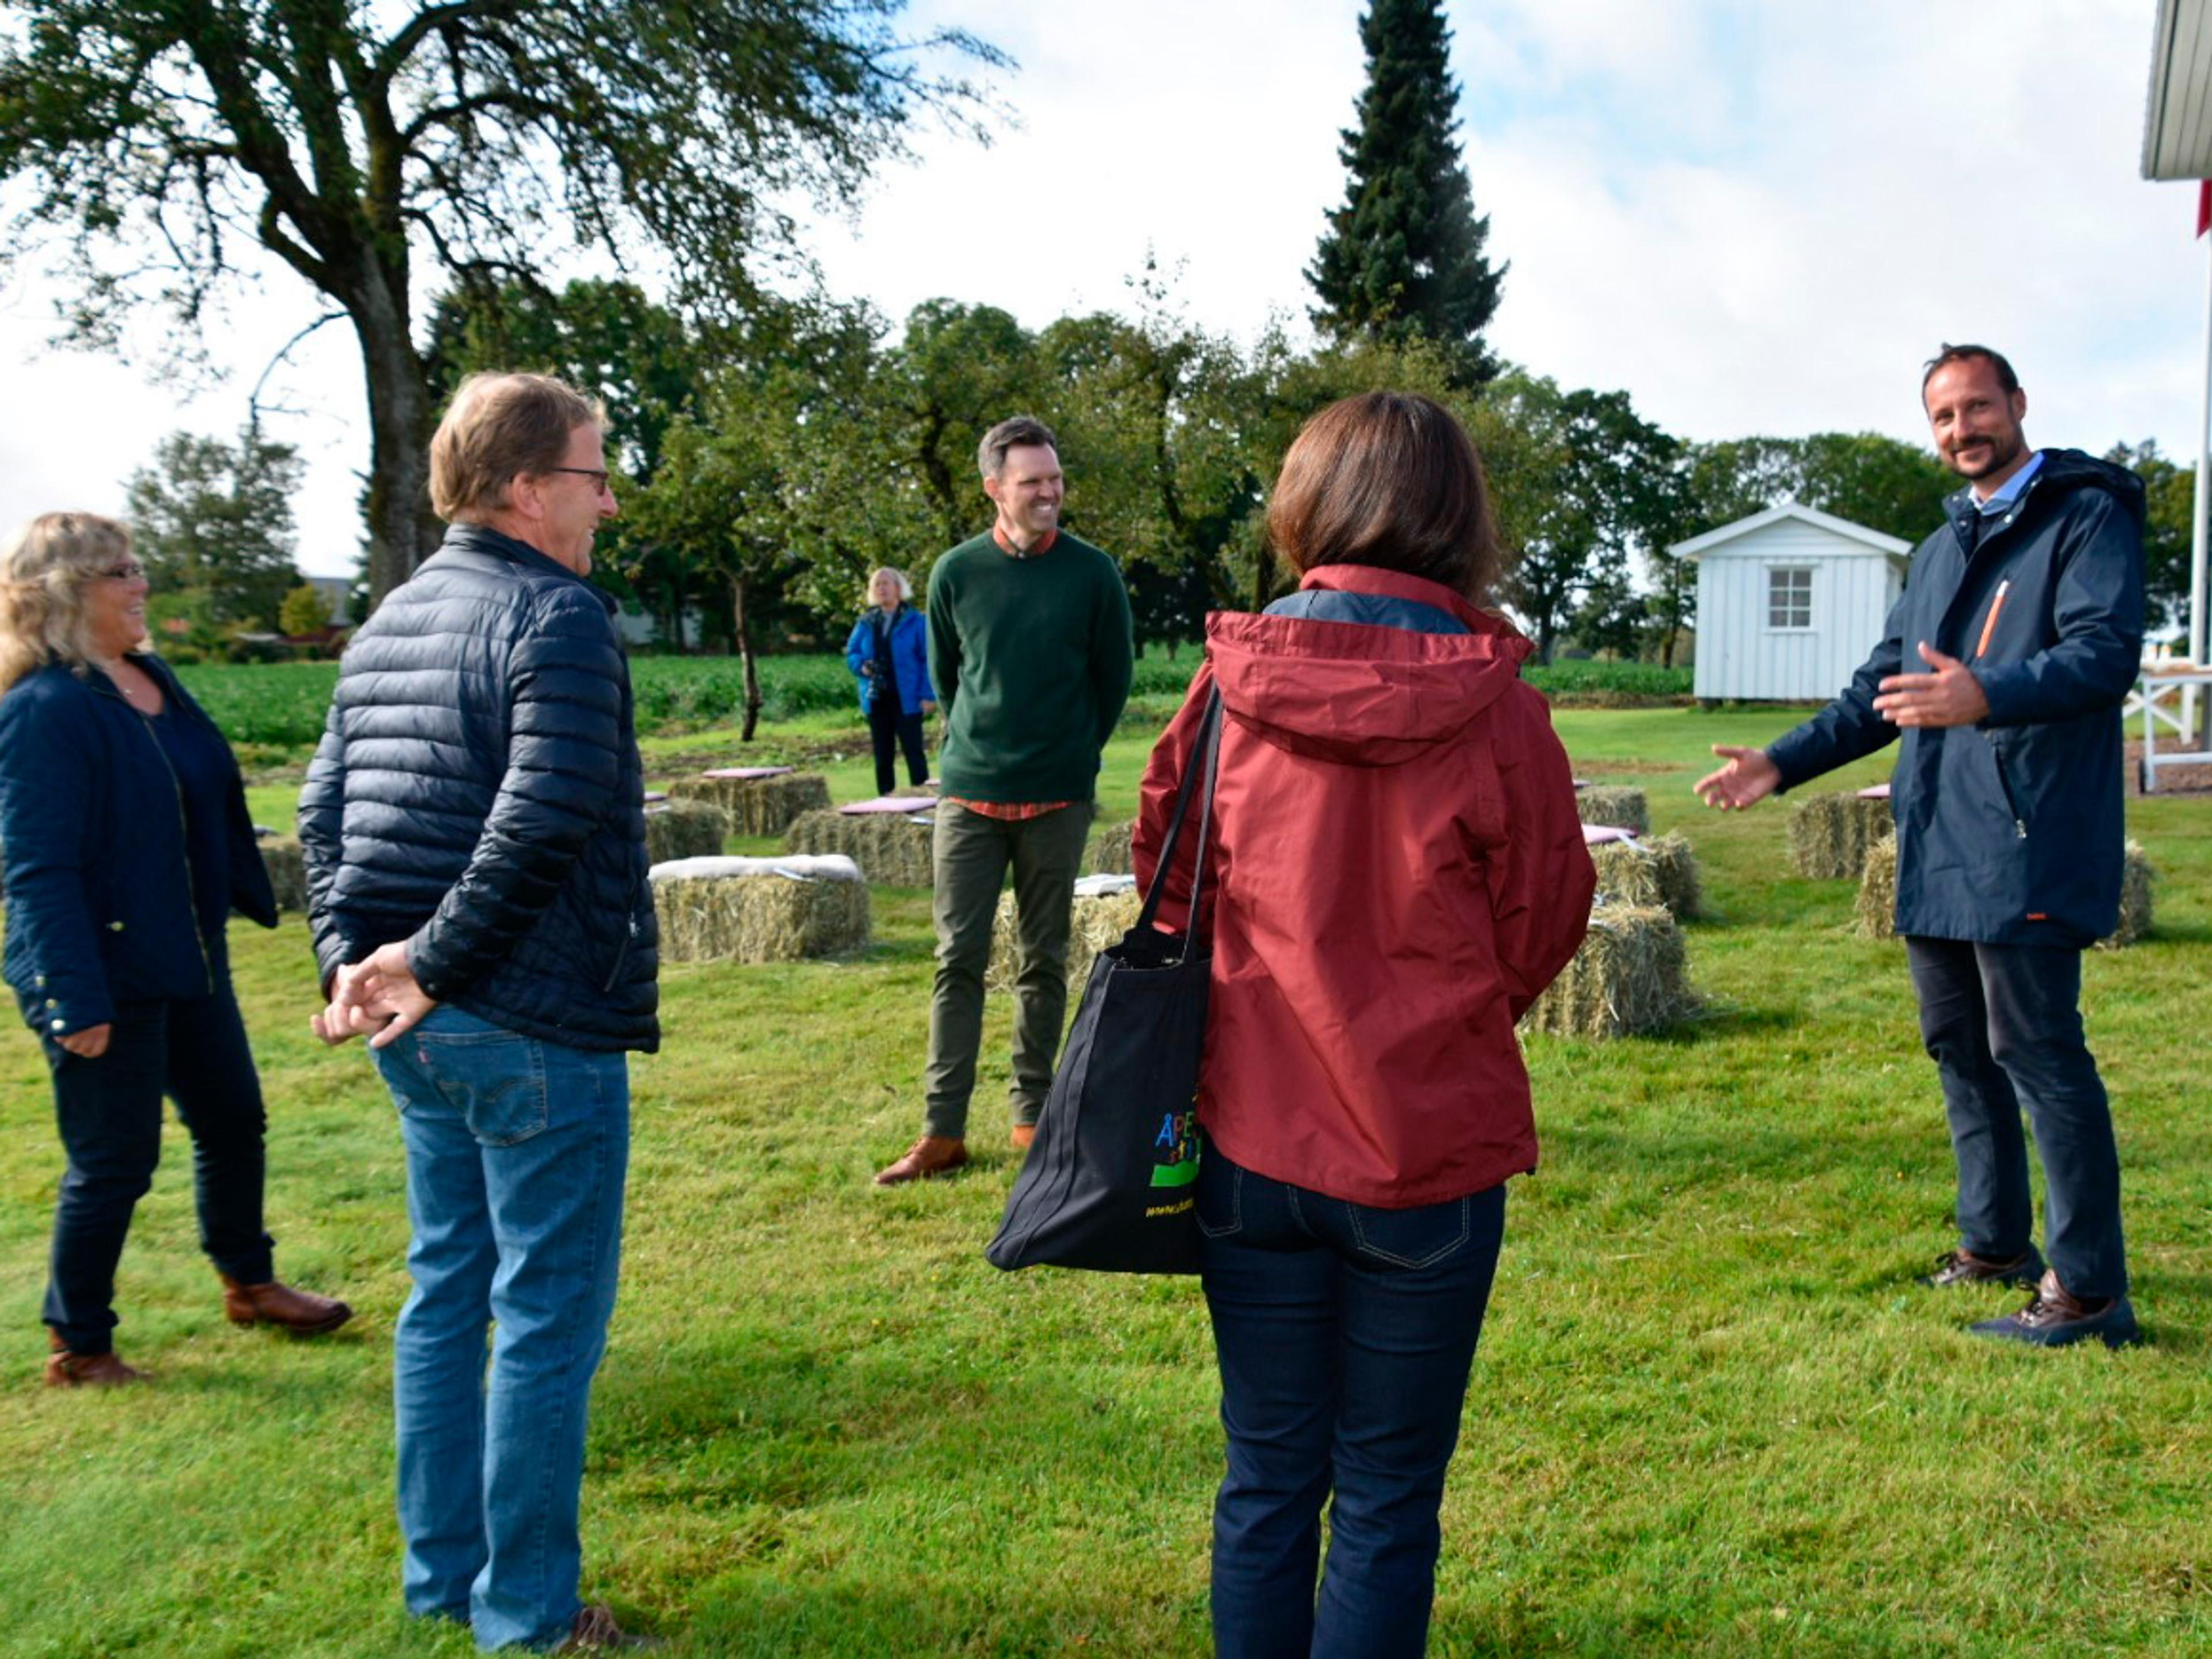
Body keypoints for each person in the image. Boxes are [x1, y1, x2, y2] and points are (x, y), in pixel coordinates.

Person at [1134, 392, 1594, 1657]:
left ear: (1309, 503)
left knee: (1269, 1473)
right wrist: (1448, 1011)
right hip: (1424, 1146)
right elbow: (1547, 912)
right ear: (1460, 515)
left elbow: (1170, 882)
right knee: (1387, 1497)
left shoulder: (1227, 686)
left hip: (1253, 1138)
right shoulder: (1499, 704)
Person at [298, 372, 660, 1652]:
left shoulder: (390, 617)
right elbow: (548, 811)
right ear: (524, 488)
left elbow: (323, 816)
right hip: (525, 1020)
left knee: (447, 1293)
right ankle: (529, 1615)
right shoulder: (558, 615)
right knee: (545, 1319)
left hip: (425, 1025)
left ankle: (443, 1581)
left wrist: (354, 961)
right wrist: (419, 965)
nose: (608, 503)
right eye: (595, 475)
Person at [1695, 343, 2145, 1350]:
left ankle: (2090, 1294)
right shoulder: (1942, 548)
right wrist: (1780, 762)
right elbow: (1881, 692)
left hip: (2025, 837)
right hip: (1938, 838)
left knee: (2038, 1052)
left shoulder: (2085, 516)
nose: (1962, 429)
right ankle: (1994, 1246)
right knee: (1959, 1048)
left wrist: (1989, 693)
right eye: (1943, 416)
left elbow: (2104, 655)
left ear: (2017, 403)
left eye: (1978, 407)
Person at [0, 512, 352, 1389]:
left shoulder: (149, 678)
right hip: (103, 970)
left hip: (189, 954)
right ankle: (79, 1345)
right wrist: (72, 997)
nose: (142, 583)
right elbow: (36, 868)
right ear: (67, 593)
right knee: (115, 1161)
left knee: (233, 1121)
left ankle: (249, 1283)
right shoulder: (44, 710)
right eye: (121, 572)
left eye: (137, 566)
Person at [873, 416, 1134, 1185]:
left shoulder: (1093, 574)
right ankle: (941, 1133)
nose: (1049, 492)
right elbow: (949, 679)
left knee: (1043, 960)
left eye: (1055, 479)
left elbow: (1112, 681)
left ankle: (1033, 1119)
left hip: (1058, 797)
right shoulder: (955, 572)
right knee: (956, 960)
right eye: (1032, 482)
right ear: (995, 488)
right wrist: (979, 747)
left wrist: (1073, 754)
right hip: (971, 796)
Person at [843, 566, 936, 796]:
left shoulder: (916, 621)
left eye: (886, 583)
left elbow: (929, 659)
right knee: (882, 755)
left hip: (907, 697)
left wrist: (928, 695)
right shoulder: (866, 622)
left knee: (914, 752)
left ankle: (923, 799)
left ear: (898, 588)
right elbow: (852, 652)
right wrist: (862, 667)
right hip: (877, 697)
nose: (881, 589)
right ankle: (886, 802)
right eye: (877, 584)